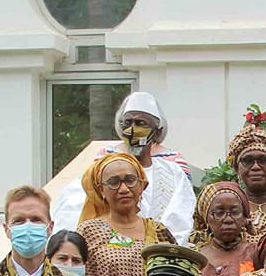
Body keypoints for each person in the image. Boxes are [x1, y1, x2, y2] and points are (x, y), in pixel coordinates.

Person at [53, 92, 196, 242]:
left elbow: (181, 220)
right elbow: (71, 214)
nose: (132, 130)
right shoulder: (100, 171)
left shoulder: (173, 173)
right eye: (128, 123)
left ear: (157, 132)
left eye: (141, 124)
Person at [77, 153, 179, 276]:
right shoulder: (89, 232)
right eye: (113, 182)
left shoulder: (158, 231)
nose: (124, 189)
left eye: (130, 180)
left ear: (141, 185)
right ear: (101, 190)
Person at [190, 182, 257, 276]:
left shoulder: (256, 254)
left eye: (235, 212)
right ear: (206, 218)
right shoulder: (193, 259)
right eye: (219, 213)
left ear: (245, 218)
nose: (228, 219)